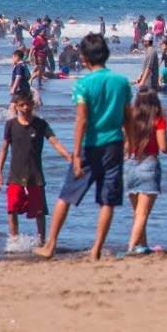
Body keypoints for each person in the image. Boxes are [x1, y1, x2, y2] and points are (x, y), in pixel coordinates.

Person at [34, 34, 135, 261]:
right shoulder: (121, 82)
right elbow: (128, 117)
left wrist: (76, 154)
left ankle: (50, 245)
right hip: (114, 145)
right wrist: (130, 143)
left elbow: (81, 119)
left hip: (90, 146)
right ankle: (96, 250)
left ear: (85, 57)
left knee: (66, 196)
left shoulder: (83, 83)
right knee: (107, 200)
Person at [0, 92, 72, 246]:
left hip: (35, 175)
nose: (26, 108)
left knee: (39, 212)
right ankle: (14, 240)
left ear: (32, 104)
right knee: (12, 210)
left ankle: (42, 242)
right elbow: (4, 149)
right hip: (15, 175)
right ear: (16, 106)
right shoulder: (10, 125)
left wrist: (70, 158)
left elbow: (55, 142)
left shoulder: (41, 124)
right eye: (22, 105)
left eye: (28, 104)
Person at [124, 87, 167, 254]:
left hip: (129, 165)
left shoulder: (130, 118)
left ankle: (143, 246)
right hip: (149, 164)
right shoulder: (158, 119)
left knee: (137, 212)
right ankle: (132, 248)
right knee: (142, 214)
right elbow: (163, 147)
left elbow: (124, 145)